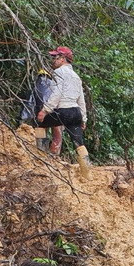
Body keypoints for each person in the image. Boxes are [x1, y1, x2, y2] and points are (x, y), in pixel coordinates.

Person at [36, 46, 90, 178]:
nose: (53, 60)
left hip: (64, 111)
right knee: (79, 143)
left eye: (55, 57)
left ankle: (39, 159)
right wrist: (83, 119)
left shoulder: (59, 72)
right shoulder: (76, 76)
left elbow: (57, 93)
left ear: (63, 59)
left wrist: (45, 110)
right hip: (76, 112)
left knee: (40, 124)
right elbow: (81, 99)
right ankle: (87, 174)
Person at [30, 69, 63, 155]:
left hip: (42, 111)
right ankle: (54, 154)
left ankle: (40, 151)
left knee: (41, 128)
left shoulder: (37, 85)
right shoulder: (55, 85)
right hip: (56, 111)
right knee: (57, 132)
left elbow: (30, 101)